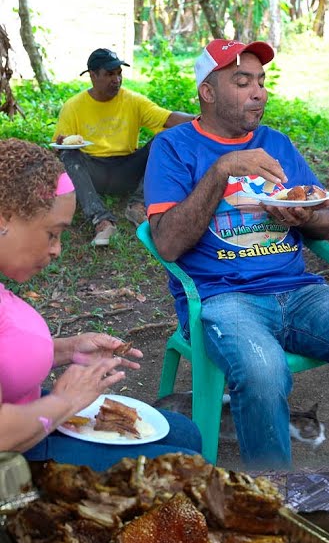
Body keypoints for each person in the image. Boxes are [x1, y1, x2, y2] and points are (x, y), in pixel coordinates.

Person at [142, 39, 329, 470]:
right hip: (223, 299)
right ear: (208, 91)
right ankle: (274, 497)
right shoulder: (173, 148)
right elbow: (167, 242)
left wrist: (303, 216)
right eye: (242, 82)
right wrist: (222, 171)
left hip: (301, 294)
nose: (258, 91)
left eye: (261, 82)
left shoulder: (275, 143)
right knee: (262, 374)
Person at [0, 138, 201, 469]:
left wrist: (68, 350)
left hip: (31, 419)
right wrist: (65, 402)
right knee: (187, 466)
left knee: (182, 433)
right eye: (52, 234)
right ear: (5, 217)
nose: (57, 250)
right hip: (14, 460)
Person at [55, 48, 195, 247]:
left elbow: (168, 119)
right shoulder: (73, 106)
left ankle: (138, 204)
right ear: (93, 76)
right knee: (69, 155)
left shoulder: (133, 100)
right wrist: (62, 143)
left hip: (126, 169)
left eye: (119, 73)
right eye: (109, 74)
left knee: (164, 140)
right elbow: (58, 147)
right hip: (93, 173)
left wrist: (206, 118)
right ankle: (101, 220)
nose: (116, 79)